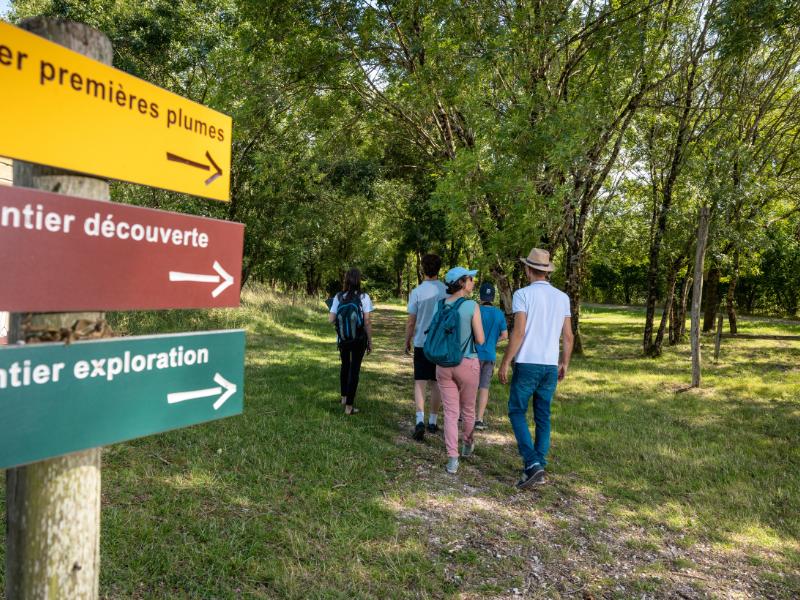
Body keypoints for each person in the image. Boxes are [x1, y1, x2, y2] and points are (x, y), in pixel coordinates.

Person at [499, 248, 573, 488]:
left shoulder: (523, 295)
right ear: (546, 271)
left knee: (516, 410)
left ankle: (532, 463)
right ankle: (539, 463)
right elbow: (569, 336)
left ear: (528, 269)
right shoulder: (562, 297)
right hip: (550, 364)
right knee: (543, 415)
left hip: (527, 362)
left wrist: (506, 361)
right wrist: (565, 362)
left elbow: (519, 332)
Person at [433, 267, 485, 474]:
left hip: (443, 364)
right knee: (468, 410)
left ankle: (452, 459)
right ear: (462, 283)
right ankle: (467, 444)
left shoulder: (441, 304)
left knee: (450, 413)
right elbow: (480, 339)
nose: (473, 281)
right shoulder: (472, 306)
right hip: (467, 362)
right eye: (471, 278)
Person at [405, 253, 447, 440]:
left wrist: (407, 340)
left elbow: (411, 321)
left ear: (423, 269)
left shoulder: (417, 292)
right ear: (439, 269)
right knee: (437, 383)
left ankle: (419, 420)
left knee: (420, 382)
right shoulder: (447, 290)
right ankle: (433, 421)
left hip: (422, 342)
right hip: (440, 343)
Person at [328, 268, 374, 415]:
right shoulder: (364, 297)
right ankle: (349, 407)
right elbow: (367, 322)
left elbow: (331, 320)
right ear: (359, 280)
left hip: (343, 339)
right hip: (359, 339)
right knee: (354, 370)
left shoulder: (339, 296)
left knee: (345, 366)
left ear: (346, 280)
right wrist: (370, 342)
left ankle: (343, 398)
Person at [474, 282, 508, 430]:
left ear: (480, 296)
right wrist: (493, 340)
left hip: (473, 354)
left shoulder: (475, 310)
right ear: (493, 297)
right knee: (484, 387)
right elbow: (505, 335)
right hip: (489, 355)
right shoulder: (499, 314)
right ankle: (479, 419)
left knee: (469, 385)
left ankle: (463, 414)